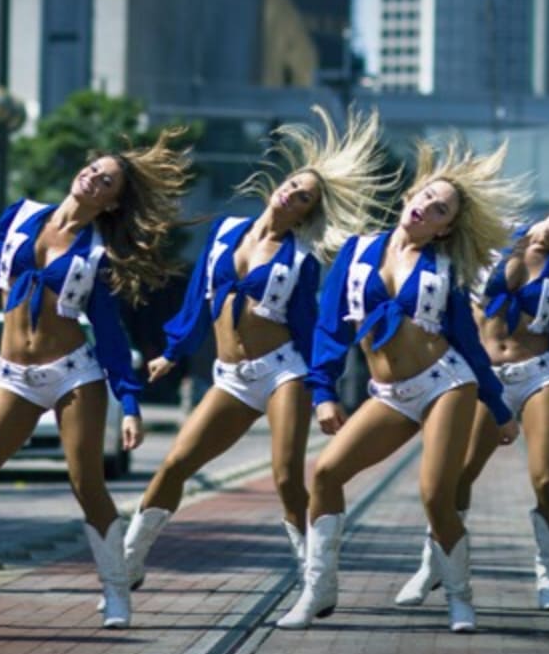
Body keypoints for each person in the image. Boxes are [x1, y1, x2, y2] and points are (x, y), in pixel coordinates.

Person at [0, 129, 192, 628]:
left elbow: (108, 332)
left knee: (87, 481)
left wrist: (129, 403)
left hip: (73, 375)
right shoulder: (21, 216)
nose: (93, 177)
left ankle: (117, 594)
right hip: (14, 376)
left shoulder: (99, 253)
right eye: (93, 169)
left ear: (111, 203)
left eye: (106, 180)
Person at [120, 108, 395, 598]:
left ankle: (314, 578)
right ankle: (130, 560)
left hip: (281, 370)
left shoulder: (302, 259)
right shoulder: (225, 232)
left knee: (287, 475)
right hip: (231, 374)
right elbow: (197, 302)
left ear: (308, 212)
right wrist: (174, 350)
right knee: (175, 464)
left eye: (304, 196)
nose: (292, 192)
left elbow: (311, 329)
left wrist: (323, 391)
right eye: (292, 183)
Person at [278, 139, 527, 633]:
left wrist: (498, 408)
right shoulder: (358, 250)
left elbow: (468, 342)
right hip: (388, 393)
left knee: (436, 494)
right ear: (410, 194)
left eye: (440, 209)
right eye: (426, 197)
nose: (426, 208)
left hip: (445, 383)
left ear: (446, 227)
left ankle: (460, 596)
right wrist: (323, 393)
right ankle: (318, 588)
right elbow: (331, 329)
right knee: (326, 474)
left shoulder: (445, 267)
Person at [394, 203, 549, 611]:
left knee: (545, 478)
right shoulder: (491, 237)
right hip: (483, 376)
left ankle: (548, 573)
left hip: (540, 373)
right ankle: (434, 564)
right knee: (457, 476)